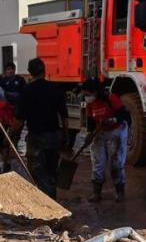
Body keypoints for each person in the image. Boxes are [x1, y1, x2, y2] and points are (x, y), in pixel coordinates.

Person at [11, 58, 69, 199]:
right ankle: (51, 200)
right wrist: (65, 135)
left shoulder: (27, 91)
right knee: (51, 170)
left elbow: (19, 120)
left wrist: (13, 135)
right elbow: (64, 116)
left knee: (37, 172)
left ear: (30, 73)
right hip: (54, 137)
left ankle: (48, 204)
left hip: (36, 138)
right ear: (45, 71)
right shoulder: (56, 89)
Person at [82, 78, 129, 203]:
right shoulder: (90, 104)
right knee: (98, 163)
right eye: (85, 95)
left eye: (88, 94)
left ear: (96, 92)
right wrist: (90, 135)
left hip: (117, 131)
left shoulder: (111, 98)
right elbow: (91, 123)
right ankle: (96, 193)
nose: (87, 97)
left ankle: (120, 192)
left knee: (117, 164)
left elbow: (123, 115)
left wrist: (112, 120)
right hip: (100, 132)